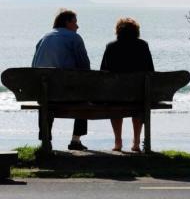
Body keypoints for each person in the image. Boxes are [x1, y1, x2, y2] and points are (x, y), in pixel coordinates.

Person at [32, 9, 90, 151]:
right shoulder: (74, 38)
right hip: (67, 94)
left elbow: (34, 66)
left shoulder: (43, 37)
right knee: (85, 91)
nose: (77, 26)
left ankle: (46, 140)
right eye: (75, 22)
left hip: (46, 95)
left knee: (45, 96)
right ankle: (75, 140)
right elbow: (85, 67)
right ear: (67, 22)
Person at [100, 17, 154, 152]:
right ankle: (136, 142)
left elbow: (103, 72)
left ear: (118, 31)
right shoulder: (143, 46)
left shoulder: (111, 46)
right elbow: (150, 70)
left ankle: (118, 142)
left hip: (116, 96)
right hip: (138, 95)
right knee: (138, 106)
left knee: (115, 105)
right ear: (136, 31)